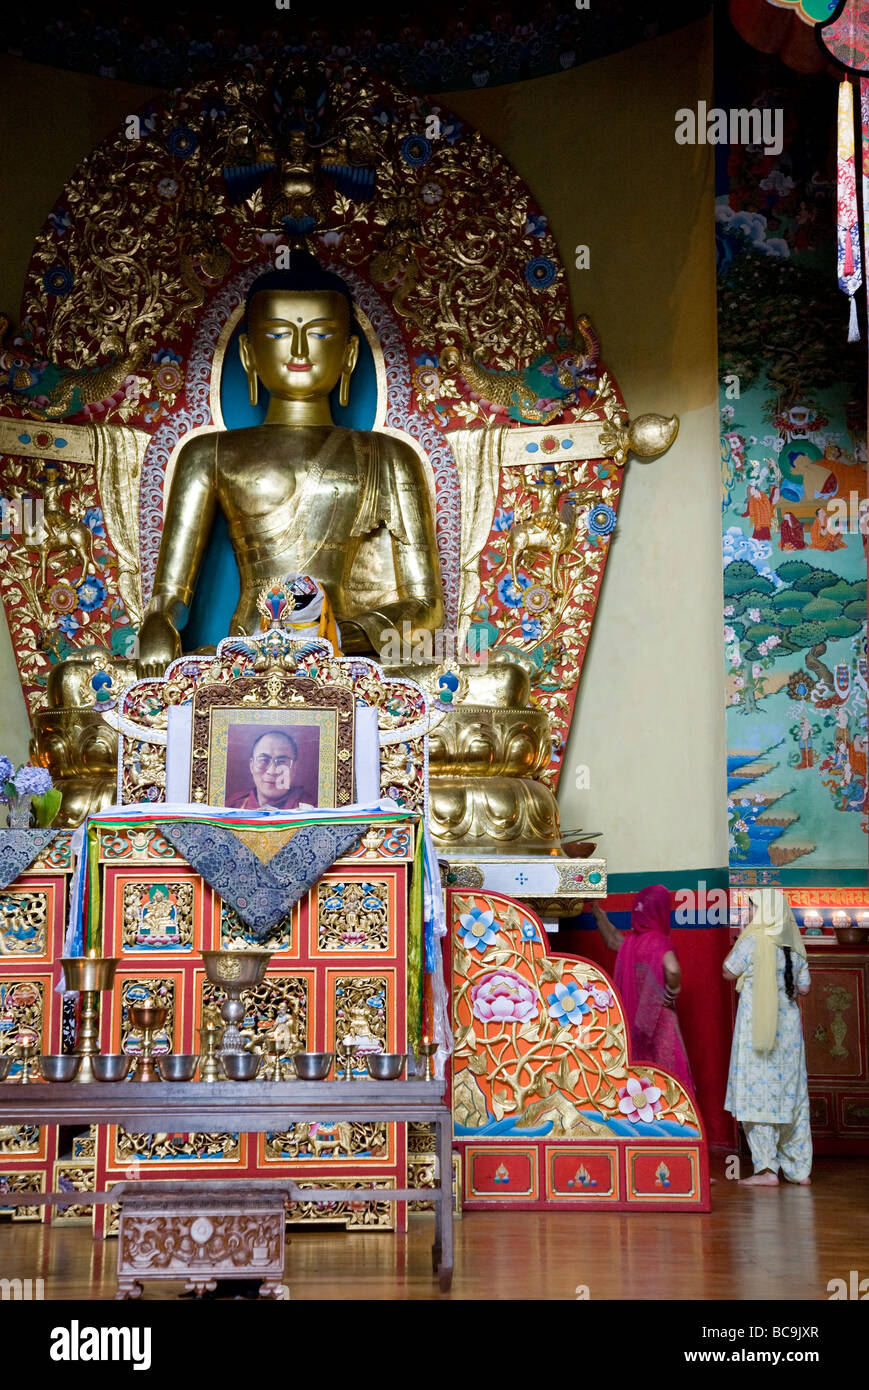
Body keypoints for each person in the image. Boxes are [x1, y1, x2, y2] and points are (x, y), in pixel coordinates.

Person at [723, 888, 811, 1186]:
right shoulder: (794, 947)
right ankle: (799, 1170)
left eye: (751, 909)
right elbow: (805, 988)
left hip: (756, 1030)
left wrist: (741, 938)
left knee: (757, 1094)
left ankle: (766, 1170)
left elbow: (727, 971)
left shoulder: (751, 941)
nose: (748, 915)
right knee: (791, 1096)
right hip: (788, 1035)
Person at [590, 885, 694, 1094]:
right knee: (669, 1077)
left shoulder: (630, 944)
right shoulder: (658, 942)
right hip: (659, 1022)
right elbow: (673, 969)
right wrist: (670, 994)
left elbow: (612, 940)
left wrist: (596, 911)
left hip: (633, 1021)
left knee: (641, 1080)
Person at [227, 730, 308, 810]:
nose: (272, 771)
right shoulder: (232, 806)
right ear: (252, 765)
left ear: (294, 768)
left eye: (281, 762)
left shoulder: (310, 810)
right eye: (263, 760)